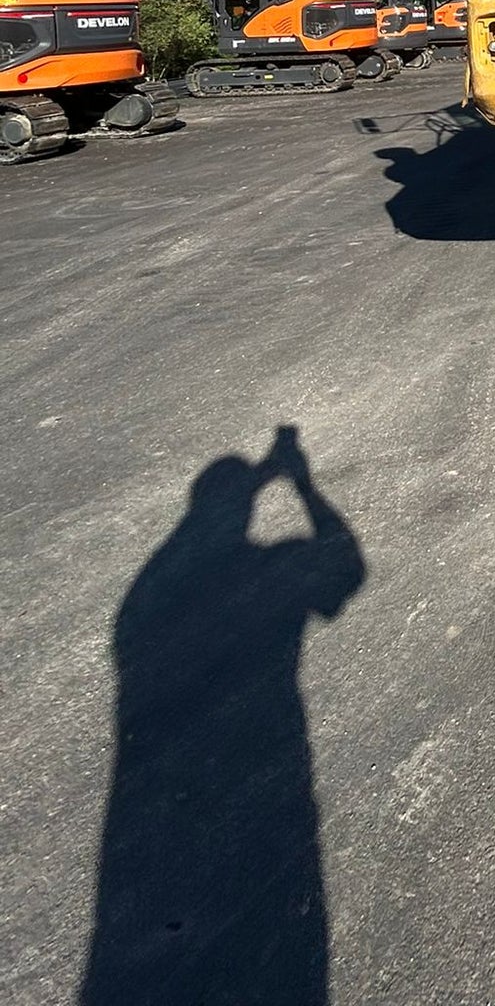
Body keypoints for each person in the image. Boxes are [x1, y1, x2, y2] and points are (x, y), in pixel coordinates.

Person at [80, 428, 365, 1006]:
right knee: (277, 929)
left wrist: (262, 479)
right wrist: (302, 484)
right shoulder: (267, 569)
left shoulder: (147, 592)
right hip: (262, 764)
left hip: (156, 803)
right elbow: (346, 565)